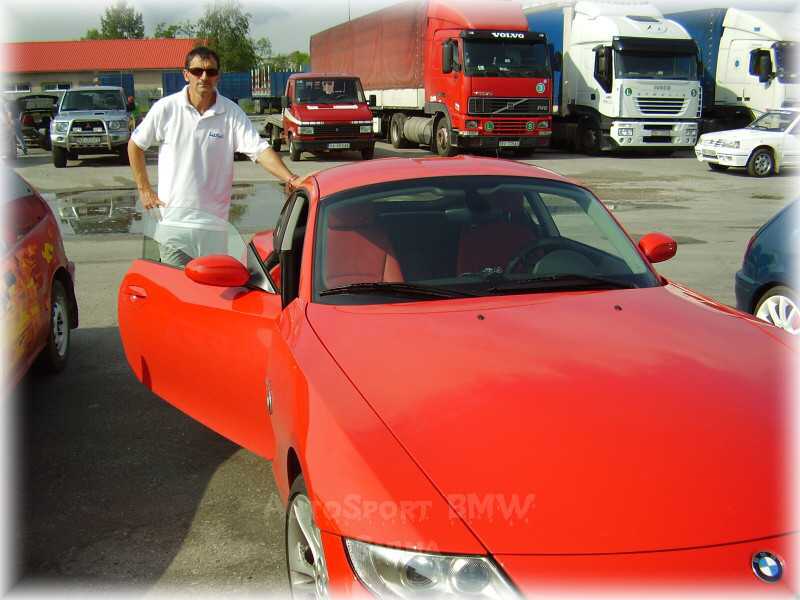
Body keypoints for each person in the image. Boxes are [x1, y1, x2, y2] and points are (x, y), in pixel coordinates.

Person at [128, 46, 302, 266]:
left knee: (211, 287)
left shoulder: (231, 113)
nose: (204, 77)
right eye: (197, 71)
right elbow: (135, 145)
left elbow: (260, 150)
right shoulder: (166, 109)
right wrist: (144, 189)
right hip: (173, 225)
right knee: (176, 286)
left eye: (210, 71)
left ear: (218, 76)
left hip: (214, 227)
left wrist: (291, 178)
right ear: (186, 74)